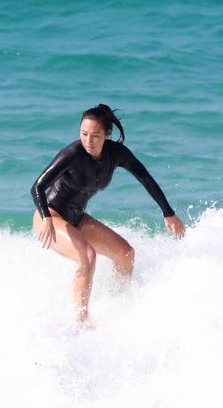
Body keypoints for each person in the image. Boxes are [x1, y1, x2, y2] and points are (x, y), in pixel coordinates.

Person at [30, 104, 186, 325]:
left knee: (126, 253)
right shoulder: (72, 154)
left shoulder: (116, 154)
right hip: (51, 216)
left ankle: (117, 304)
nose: (88, 141)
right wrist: (46, 217)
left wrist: (168, 212)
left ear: (107, 134)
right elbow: (37, 187)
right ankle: (81, 321)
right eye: (84, 134)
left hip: (76, 218)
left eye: (95, 135)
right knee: (88, 257)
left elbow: (145, 178)